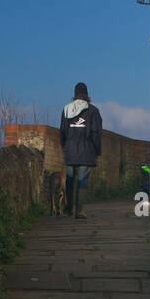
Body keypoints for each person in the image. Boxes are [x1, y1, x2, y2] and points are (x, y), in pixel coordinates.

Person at [59, 82, 102, 218]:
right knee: (82, 181)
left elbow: (62, 131)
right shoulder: (93, 111)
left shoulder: (66, 110)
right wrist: (97, 150)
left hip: (70, 151)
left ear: (75, 95)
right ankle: (80, 210)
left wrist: (64, 147)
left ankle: (69, 208)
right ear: (87, 95)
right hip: (86, 151)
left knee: (70, 180)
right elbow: (96, 133)